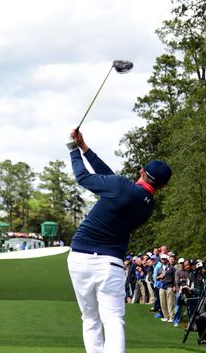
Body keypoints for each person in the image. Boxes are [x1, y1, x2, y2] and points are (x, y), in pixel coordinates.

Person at [66, 129, 171, 353]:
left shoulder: (121, 186)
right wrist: (85, 148)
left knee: (90, 319)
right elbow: (113, 180)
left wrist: (73, 150)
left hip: (80, 257)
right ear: (162, 186)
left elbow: (83, 177)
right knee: (113, 320)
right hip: (110, 264)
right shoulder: (147, 206)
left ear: (141, 171)